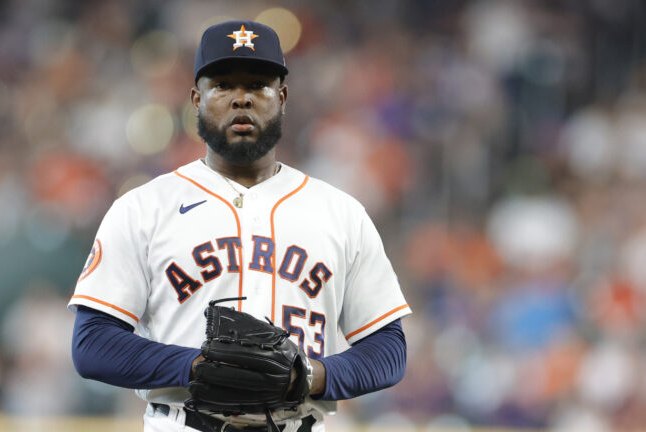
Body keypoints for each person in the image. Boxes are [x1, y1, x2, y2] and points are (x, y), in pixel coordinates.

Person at [69, 20, 411, 432]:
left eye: (258, 85)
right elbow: (92, 345)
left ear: (282, 98)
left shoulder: (341, 213)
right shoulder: (143, 208)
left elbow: (389, 350)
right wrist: (197, 367)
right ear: (196, 98)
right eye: (223, 85)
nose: (241, 99)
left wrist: (308, 376)